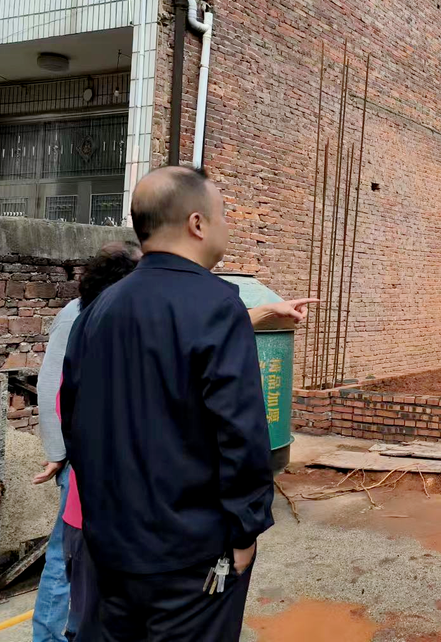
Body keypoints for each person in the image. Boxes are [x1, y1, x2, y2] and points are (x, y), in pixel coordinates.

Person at [61, 166, 311, 641]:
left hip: (110, 547)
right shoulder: (217, 306)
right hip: (189, 557)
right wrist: (244, 533)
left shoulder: (98, 310)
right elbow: (241, 433)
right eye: (223, 214)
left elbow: (74, 420)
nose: (226, 225)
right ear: (198, 224)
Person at [32, 242, 140, 642]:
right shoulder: (76, 316)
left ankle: (80, 629)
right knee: (65, 556)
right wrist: (59, 454)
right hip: (82, 459)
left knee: (90, 559)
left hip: (107, 457)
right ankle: (47, 636)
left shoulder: (116, 316)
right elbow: (51, 386)